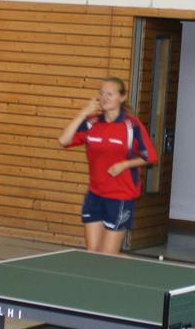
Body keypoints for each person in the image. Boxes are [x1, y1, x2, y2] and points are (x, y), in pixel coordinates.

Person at [57, 77, 156, 254]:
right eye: (102, 94)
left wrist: (125, 164)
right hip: (95, 194)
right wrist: (83, 113)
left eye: (110, 94)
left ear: (122, 97)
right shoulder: (92, 122)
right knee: (93, 252)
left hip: (120, 196)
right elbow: (64, 140)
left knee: (108, 256)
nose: (104, 98)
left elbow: (150, 157)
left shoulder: (131, 126)